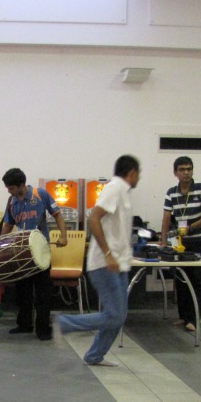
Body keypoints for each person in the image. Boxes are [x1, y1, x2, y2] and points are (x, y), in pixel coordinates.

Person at [54, 155, 139, 367]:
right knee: (114, 316)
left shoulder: (124, 192)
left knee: (118, 315)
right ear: (132, 172)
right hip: (104, 263)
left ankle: (94, 356)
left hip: (118, 263)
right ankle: (64, 323)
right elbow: (93, 218)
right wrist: (108, 253)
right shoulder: (114, 188)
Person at [0, 167, 68, 340]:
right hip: (21, 253)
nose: (9, 191)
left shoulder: (41, 194)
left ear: (22, 184)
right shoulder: (11, 201)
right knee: (23, 292)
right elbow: (8, 225)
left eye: (11, 188)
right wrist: (0, 245)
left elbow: (58, 215)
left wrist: (63, 236)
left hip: (41, 251)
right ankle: (24, 325)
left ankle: (43, 329)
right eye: (8, 188)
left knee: (43, 293)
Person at [159, 156, 201, 333]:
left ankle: (194, 319)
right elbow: (166, 217)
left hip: (199, 240)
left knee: (198, 280)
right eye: (182, 169)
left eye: (189, 169)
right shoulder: (171, 192)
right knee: (182, 279)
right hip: (181, 243)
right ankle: (183, 316)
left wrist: (191, 228)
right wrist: (163, 240)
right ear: (175, 172)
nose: (186, 173)